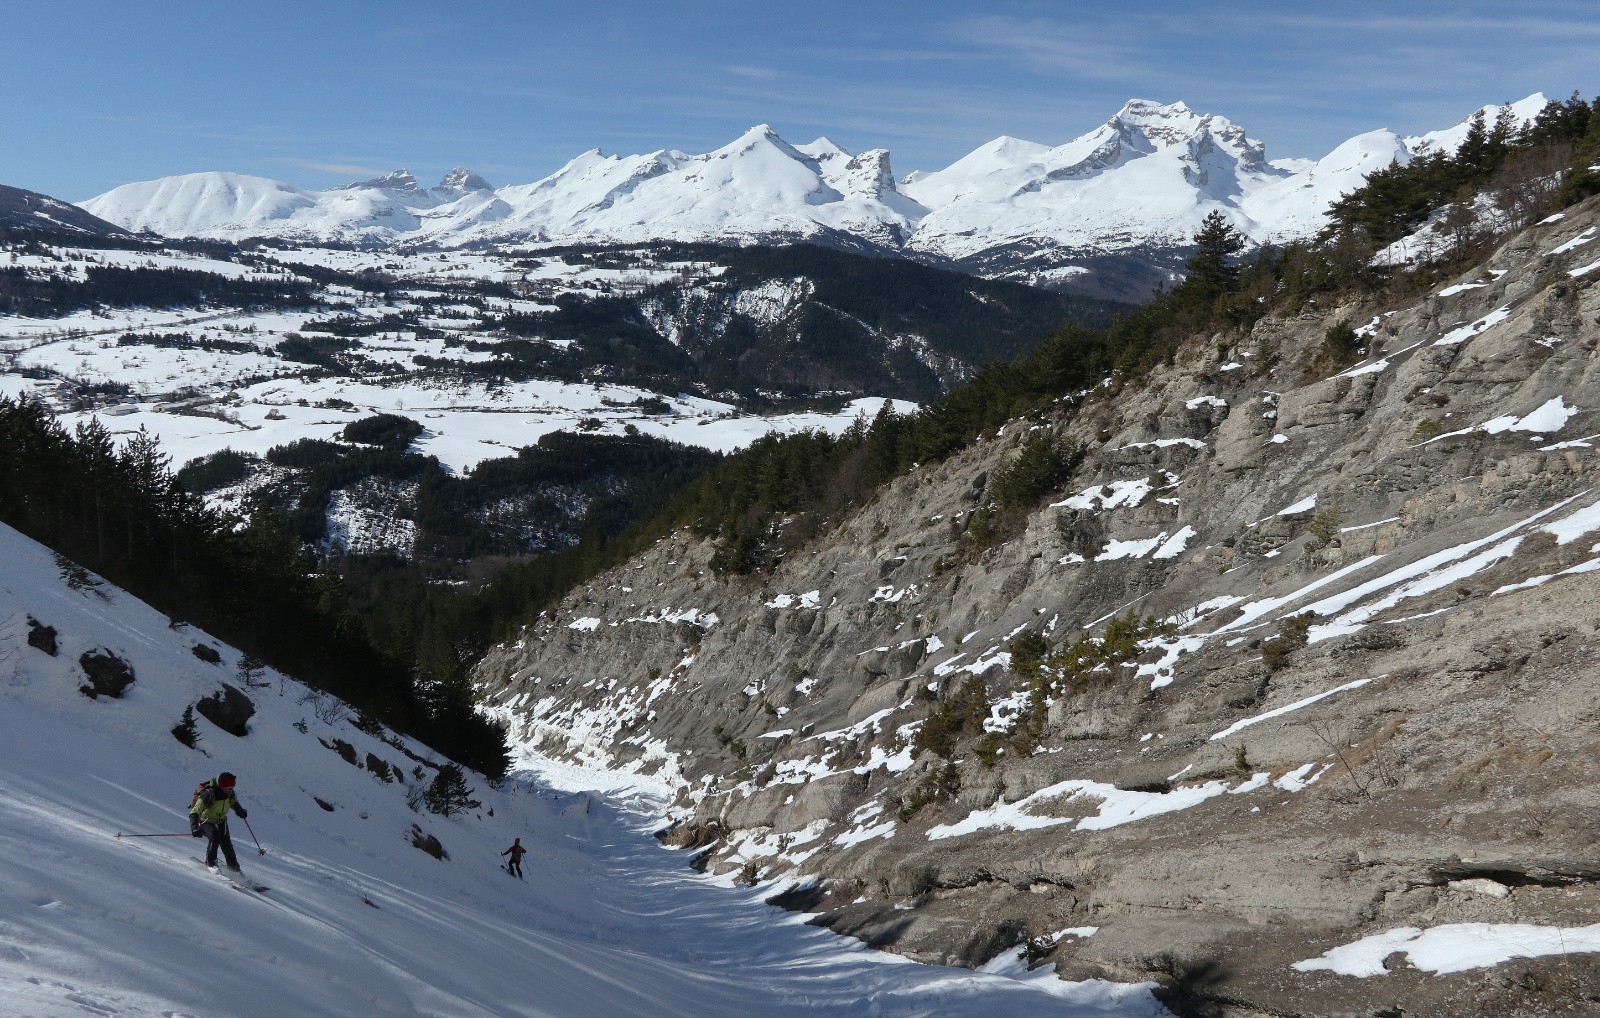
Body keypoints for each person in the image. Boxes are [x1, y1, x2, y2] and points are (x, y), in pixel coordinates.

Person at [190, 771, 248, 872]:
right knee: (214, 836)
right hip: (205, 821)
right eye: (228, 786)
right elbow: (194, 812)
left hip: (221, 821)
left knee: (226, 844)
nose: (230, 789)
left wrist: (240, 811)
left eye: (232, 786)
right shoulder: (209, 793)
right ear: (221, 784)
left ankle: (234, 868)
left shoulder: (229, 793)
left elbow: (234, 804)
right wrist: (194, 828)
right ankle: (211, 863)